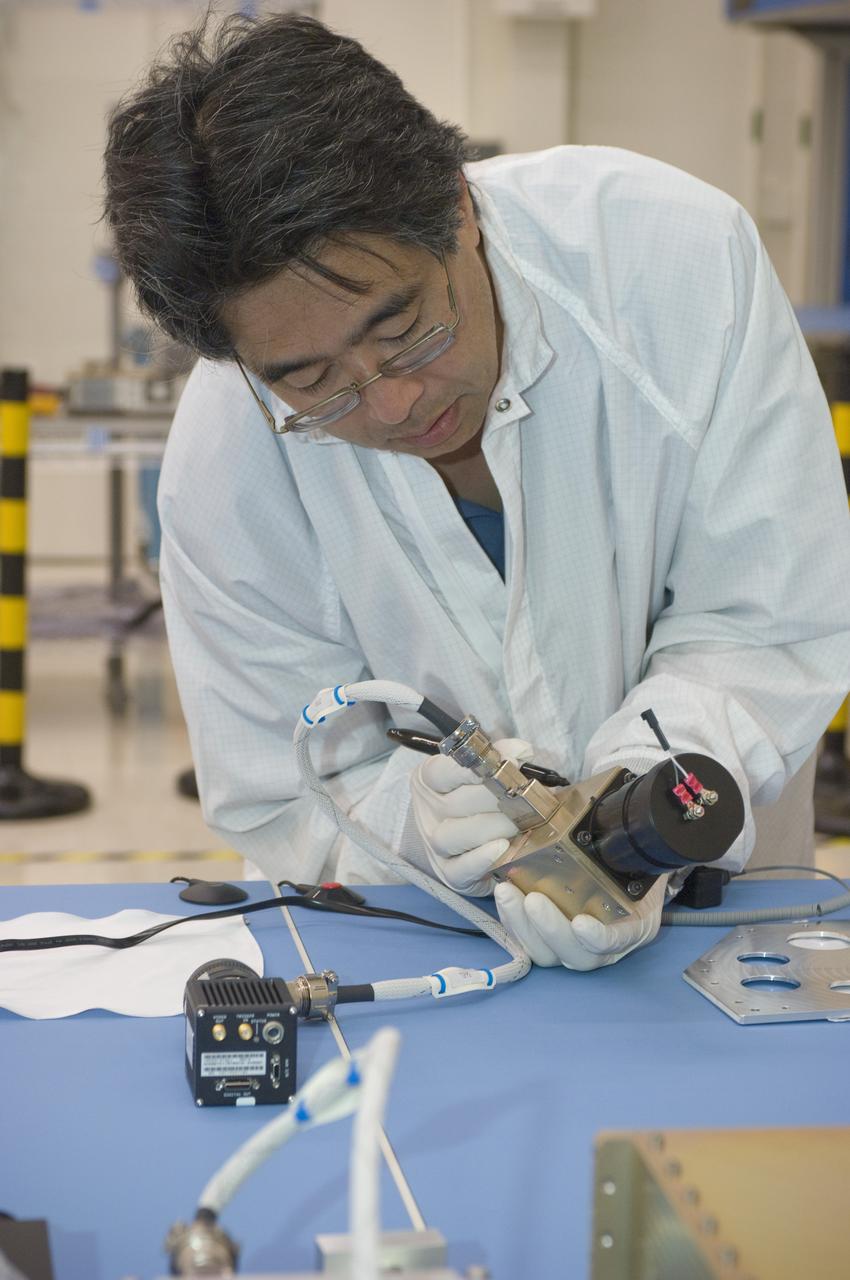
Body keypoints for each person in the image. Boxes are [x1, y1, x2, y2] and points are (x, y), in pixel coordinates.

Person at [103, 13, 850, 971]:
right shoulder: (230, 458)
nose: (395, 402)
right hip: (442, 944)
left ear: (459, 210)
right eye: (310, 381)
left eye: (405, 326)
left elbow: (766, 619)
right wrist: (406, 829)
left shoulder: (673, 267)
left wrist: (627, 819)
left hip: (723, 907)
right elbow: (282, 783)